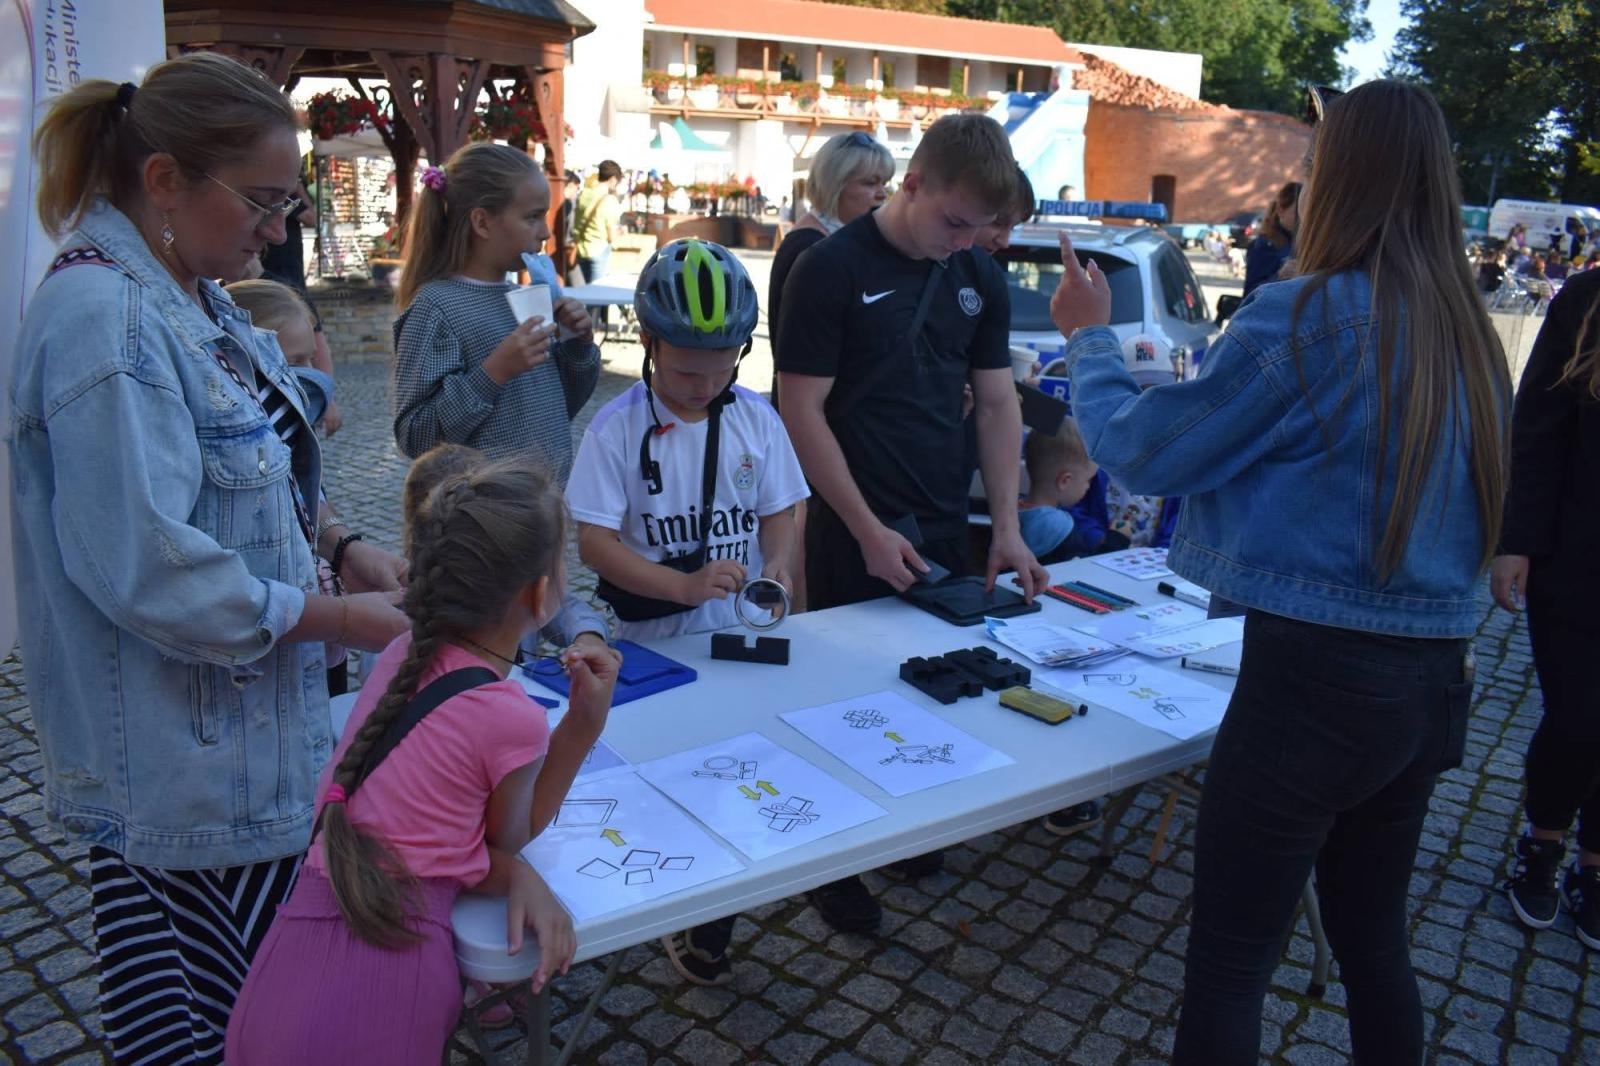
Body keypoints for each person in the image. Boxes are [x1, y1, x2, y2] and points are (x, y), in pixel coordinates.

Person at [1049, 80, 1508, 1064]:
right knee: (1374, 945)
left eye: (1311, 163)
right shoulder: (1467, 332)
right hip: (1431, 682)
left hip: (1312, 683)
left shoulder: (1307, 316)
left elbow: (1145, 451)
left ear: (1338, 178)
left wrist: (1088, 334)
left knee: (1230, 966)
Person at [10, 52, 412, 1064]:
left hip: (240, 755)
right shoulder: (105, 321)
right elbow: (150, 567)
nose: (278, 231)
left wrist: (343, 542)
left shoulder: (192, 296)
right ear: (164, 181)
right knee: (219, 1035)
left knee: (265, 1025)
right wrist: (336, 618)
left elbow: (251, 473)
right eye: (264, 201)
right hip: (184, 777)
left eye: (289, 204)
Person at [226, 458, 621, 1064]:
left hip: (286, 968)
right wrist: (583, 724)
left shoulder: (401, 652)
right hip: (387, 989)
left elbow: (424, 838)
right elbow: (511, 837)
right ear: (541, 594)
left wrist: (516, 876)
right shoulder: (507, 716)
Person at [777, 112, 1049, 933]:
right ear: (914, 183)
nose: (963, 241)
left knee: (928, 686)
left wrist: (1007, 526)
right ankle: (833, 862)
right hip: (848, 522)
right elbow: (801, 409)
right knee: (838, 696)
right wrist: (863, 527)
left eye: (977, 228)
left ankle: (901, 825)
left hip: (938, 518)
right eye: (953, 222)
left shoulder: (976, 275)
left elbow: (996, 403)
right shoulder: (830, 268)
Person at [568, 239, 806, 982]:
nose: (703, 386)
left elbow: (783, 507)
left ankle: (714, 908)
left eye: (721, 369)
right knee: (664, 777)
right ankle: (663, 887)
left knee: (737, 769)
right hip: (651, 638)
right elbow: (595, 543)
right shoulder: (616, 428)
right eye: (684, 373)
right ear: (647, 343)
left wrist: (779, 563)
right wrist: (682, 586)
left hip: (734, 637)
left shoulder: (756, 418)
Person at [1492, 267, 1600, 949]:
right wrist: (1516, 540)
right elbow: (1536, 430)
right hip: (1577, 559)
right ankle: (1544, 841)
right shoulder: (1587, 300)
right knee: (1579, 718)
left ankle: (1594, 862)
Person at [392, 142, 600, 477]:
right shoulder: (436, 308)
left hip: (546, 500)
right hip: (481, 504)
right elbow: (415, 437)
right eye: (532, 217)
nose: (546, 232)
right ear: (482, 223)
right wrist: (493, 373)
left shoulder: (525, 298)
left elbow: (561, 407)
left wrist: (578, 344)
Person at [769, 131, 895, 404]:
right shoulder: (810, 248)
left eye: (885, 183)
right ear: (834, 184)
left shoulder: (835, 241)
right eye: (870, 183)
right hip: (816, 414)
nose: (882, 194)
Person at [1017, 417, 1097, 563]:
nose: (1088, 487)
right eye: (1088, 480)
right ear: (1064, 481)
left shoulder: (1010, 513)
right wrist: (1117, 538)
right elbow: (1086, 568)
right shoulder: (1064, 530)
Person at [1242, 181, 1300, 297]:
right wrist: (1279, 275)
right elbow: (1250, 294)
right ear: (1280, 210)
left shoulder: (1297, 241)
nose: (1302, 218)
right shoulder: (1263, 245)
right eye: (1297, 212)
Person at [573, 159, 624, 285]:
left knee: (583, 291)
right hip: (599, 250)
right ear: (613, 179)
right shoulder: (610, 200)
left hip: (580, 249)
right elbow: (611, 236)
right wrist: (621, 232)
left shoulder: (584, 194)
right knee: (597, 291)